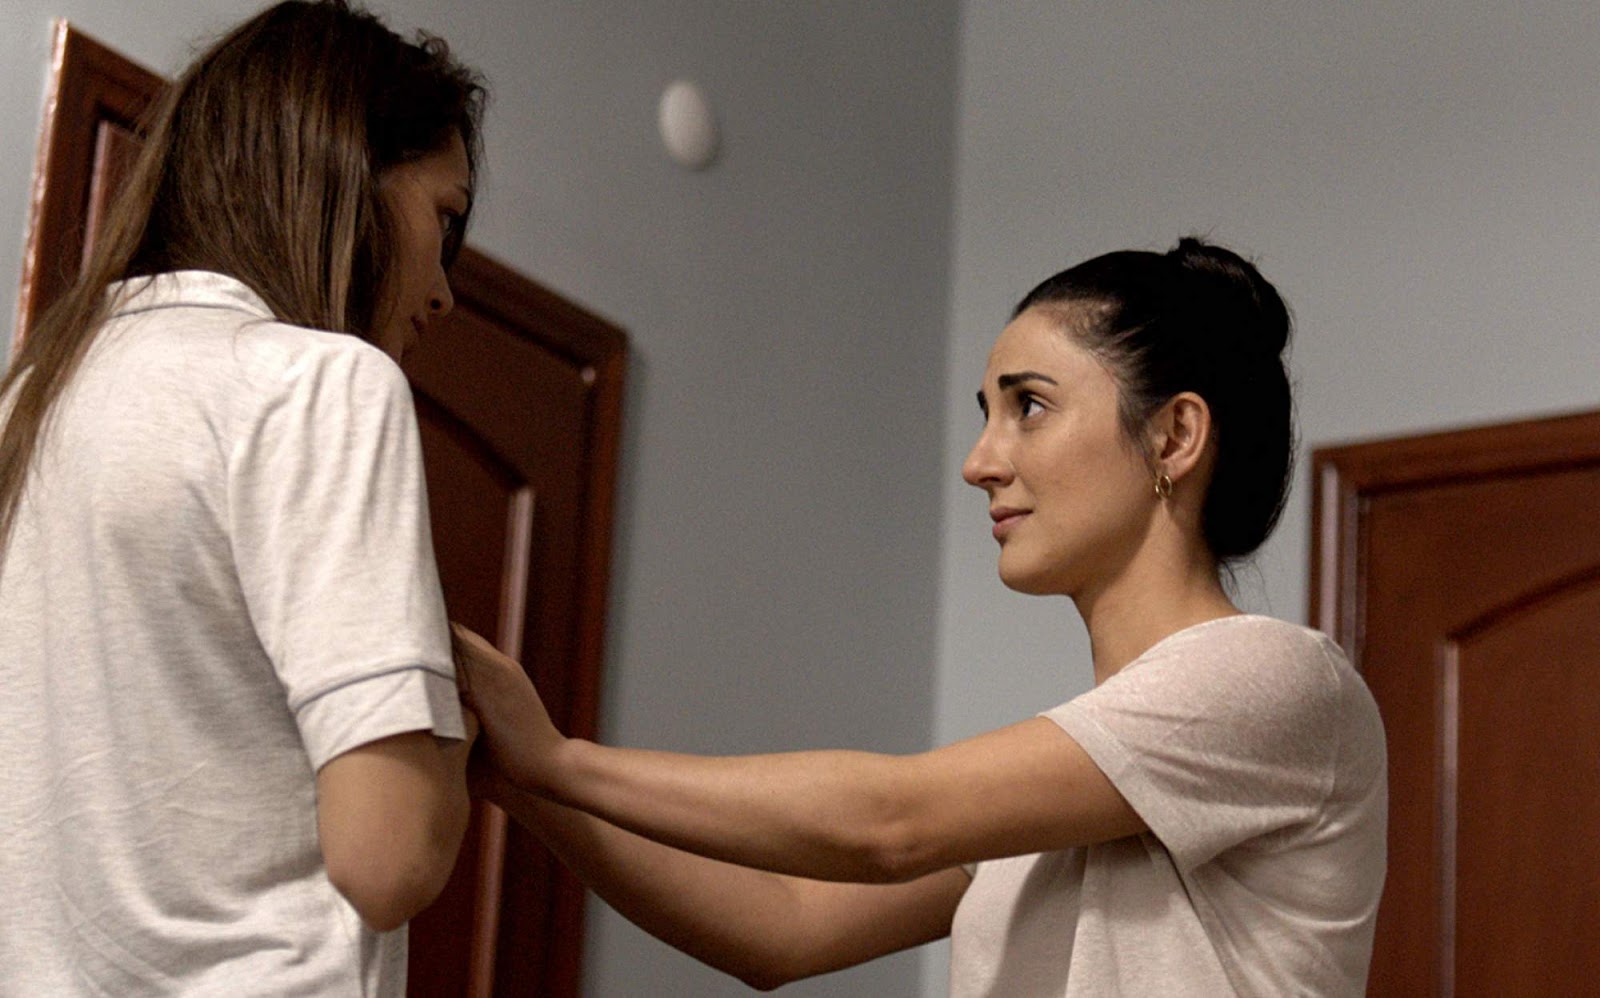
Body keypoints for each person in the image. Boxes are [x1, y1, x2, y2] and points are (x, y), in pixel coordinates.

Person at [457, 237, 1389, 996]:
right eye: (987, 414)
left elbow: (889, 822)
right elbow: (783, 927)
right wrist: (524, 783)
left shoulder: (1278, 679)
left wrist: (561, 760)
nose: (980, 462)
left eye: (1029, 406)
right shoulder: (1073, 779)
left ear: (1174, 435)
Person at [0, 2, 486, 992]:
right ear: (349, 170)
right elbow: (388, 858)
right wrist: (456, 733)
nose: (442, 291)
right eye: (443, 219)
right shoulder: (320, 384)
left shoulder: (32, 400)